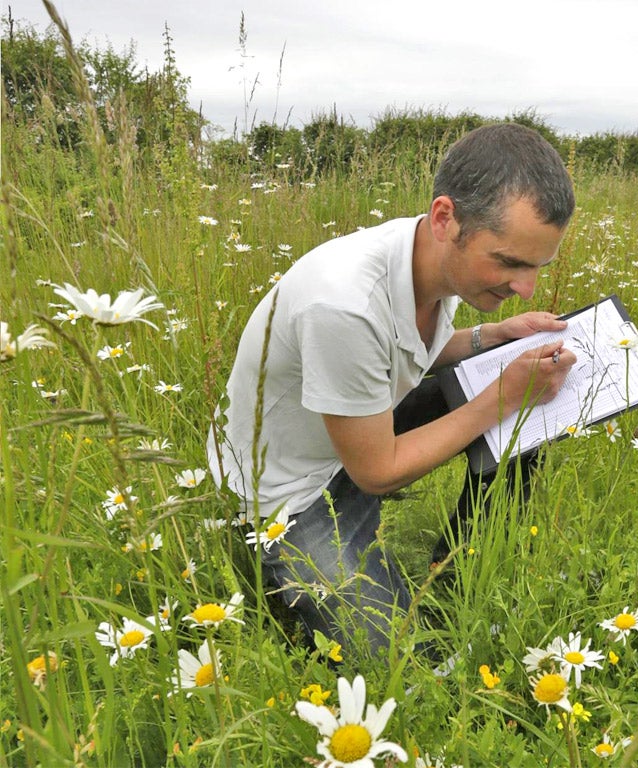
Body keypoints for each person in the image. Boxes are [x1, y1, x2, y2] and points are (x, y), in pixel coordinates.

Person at [207, 123, 578, 652]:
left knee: (529, 418)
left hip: (354, 431)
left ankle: (458, 575)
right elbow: (376, 471)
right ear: (446, 218)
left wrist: (492, 337)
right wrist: (503, 396)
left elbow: (404, 349)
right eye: (509, 262)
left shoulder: (429, 255)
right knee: (400, 660)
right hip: (289, 497)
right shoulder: (344, 304)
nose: (526, 287)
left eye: (538, 266)